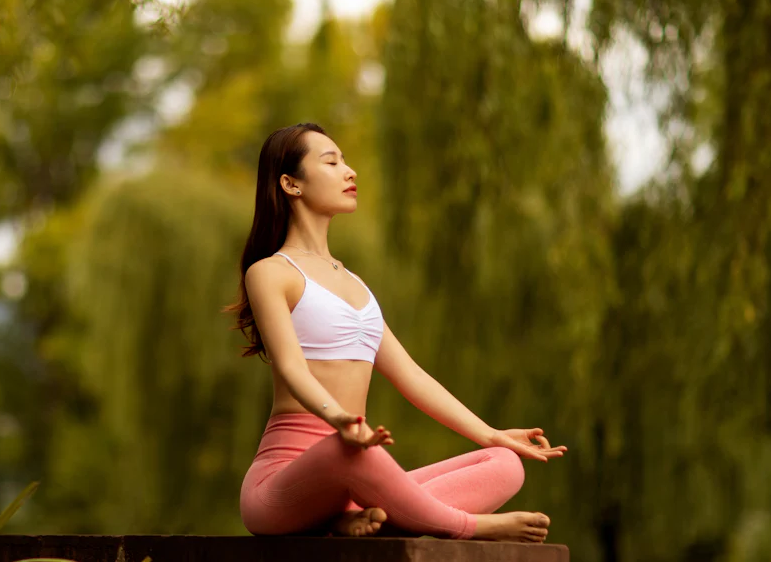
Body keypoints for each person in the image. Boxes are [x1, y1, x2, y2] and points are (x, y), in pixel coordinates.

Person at [227, 123, 566, 541]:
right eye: (331, 162)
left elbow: (412, 377)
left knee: (504, 463)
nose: (350, 171)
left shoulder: (355, 285)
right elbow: (291, 368)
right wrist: (342, 420)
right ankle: (471, 526)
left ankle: (348, 522)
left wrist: (492, 434)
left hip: (354, 473)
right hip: (283, 486)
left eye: (346, 161)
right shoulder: (271, 272)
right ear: (290, 184)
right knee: (351, 451)